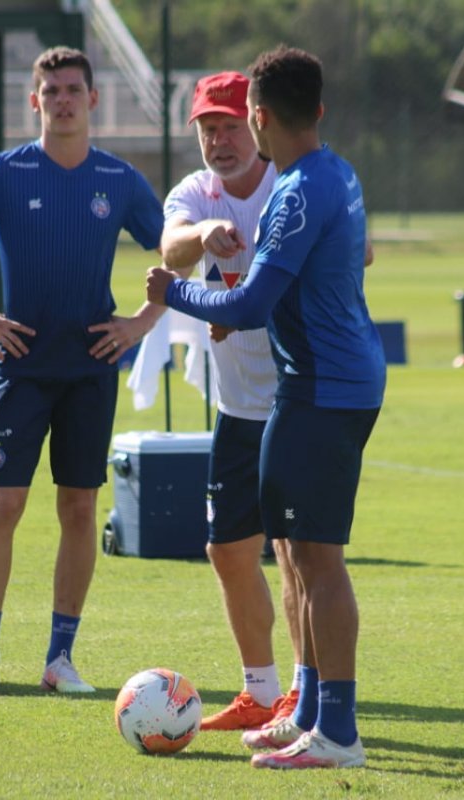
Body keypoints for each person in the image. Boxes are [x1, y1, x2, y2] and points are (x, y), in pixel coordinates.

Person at [146, 46, 385, 769]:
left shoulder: (297, 191)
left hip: (319, 388)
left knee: (317, 563)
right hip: (336, 380)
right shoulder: (335, 172)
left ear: (257, 117)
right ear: (317, 109)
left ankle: (337, 732)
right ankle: (308, 713)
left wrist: (174, 292)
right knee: (300, 557)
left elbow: (249, 304)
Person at [0, 46, 163, 698]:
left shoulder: (120, 180)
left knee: (80, 508)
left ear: (94, 99)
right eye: (51, 91)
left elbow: (176, 250)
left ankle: (60, 658)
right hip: (19, 367)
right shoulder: (6, 173)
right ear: (35, 101)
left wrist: (139, 323)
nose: (64, 100)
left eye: (74, 89)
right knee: (6, 503)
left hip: (90, 368)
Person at [160, 71, 304, 733]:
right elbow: (170, 249)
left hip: (300, 402)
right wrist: (206, 232)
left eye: (228, 124)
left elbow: (348, 259)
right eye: (206, 128)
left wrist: (246, 309)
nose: (218, 139)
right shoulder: (196, 192)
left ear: (256, 122)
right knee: (227, 550)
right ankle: (259, 691)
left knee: (296, 551)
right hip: (239, 406)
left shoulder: (291, 185)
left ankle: (306, 697)